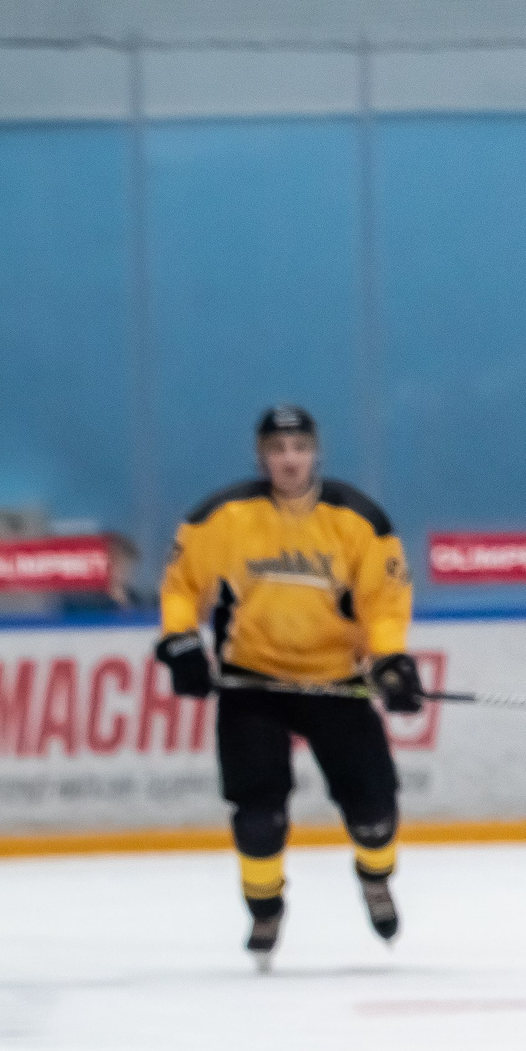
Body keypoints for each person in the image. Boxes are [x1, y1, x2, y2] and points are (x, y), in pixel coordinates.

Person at [154, 405, 419, 968]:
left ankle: (375, 877)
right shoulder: (223, 516)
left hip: (335, 682)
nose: (289, 460)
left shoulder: (358, 520)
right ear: (262, 456)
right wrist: (181, 642)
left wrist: (390, 660)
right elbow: (181, 586)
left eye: (298, 448)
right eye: (277, 450)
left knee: (375, 812)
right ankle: (265, 907)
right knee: (258, 816)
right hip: (254, 680)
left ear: (315, 451)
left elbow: (385, 604)